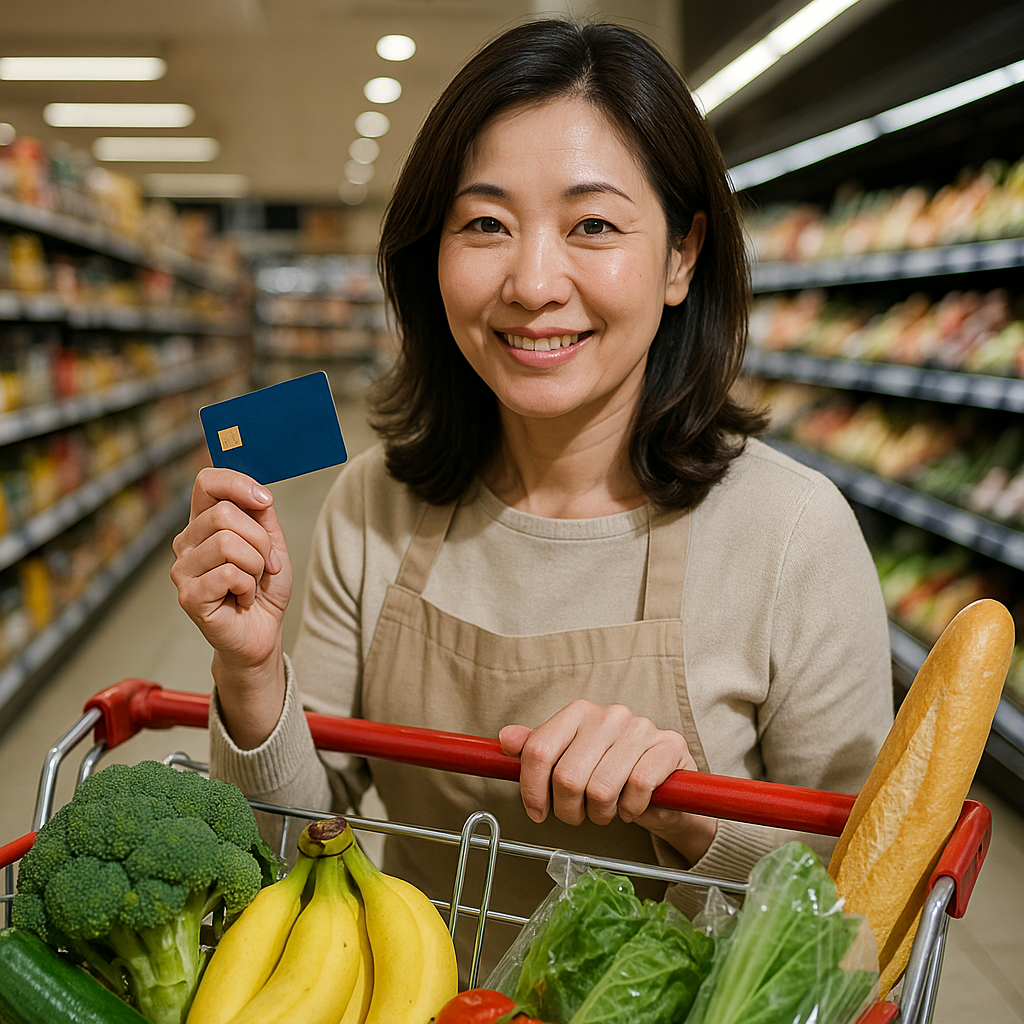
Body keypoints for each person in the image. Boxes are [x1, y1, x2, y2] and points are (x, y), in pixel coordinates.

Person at [171, 18, 893, 972]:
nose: (533, 283)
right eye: (486, 224)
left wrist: (689, 812)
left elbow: (861, 900)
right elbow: (297, 850)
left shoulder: (793, 532)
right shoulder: (374, 504)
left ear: (682, 256)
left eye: (592, 225)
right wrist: (253, 673)